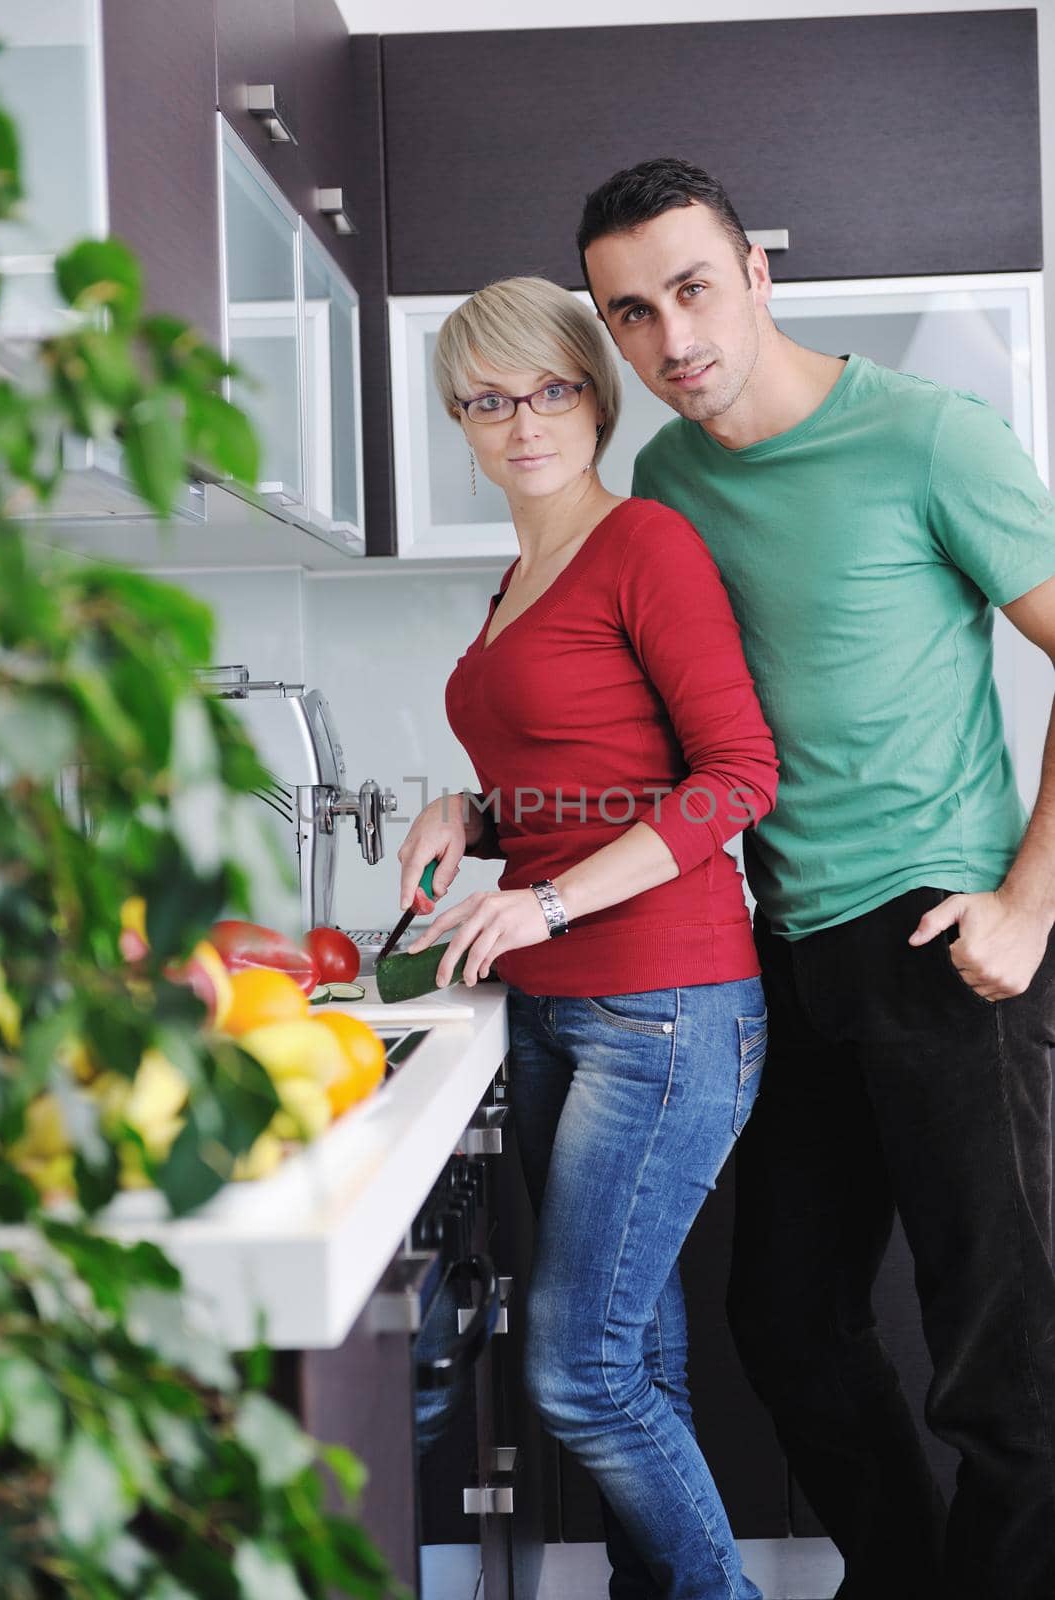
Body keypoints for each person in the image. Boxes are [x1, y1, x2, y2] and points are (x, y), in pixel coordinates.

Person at [577, 155, 1055, 1600]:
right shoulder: (664, 479)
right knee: (784, 1324)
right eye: (633, 314)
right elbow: (672, 733)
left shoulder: (929, 441)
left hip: (946, 938)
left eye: (694, 289)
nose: (673, 339)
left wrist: (1029, 905)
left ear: (759, 273)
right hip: (781, 952)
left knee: (1003, 1367)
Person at [395, 274, 778, 1600]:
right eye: (489, 401)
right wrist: (476, 810)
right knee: (638, 1356)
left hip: (662, 1008)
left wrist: (546, 902)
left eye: (551, 388)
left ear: (595, 395)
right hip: (561, 1007)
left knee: (579, 1368)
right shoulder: (527, 569)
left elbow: (733, 775)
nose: (524, 421)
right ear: (461, 419)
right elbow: (598, 776)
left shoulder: (644, 545)